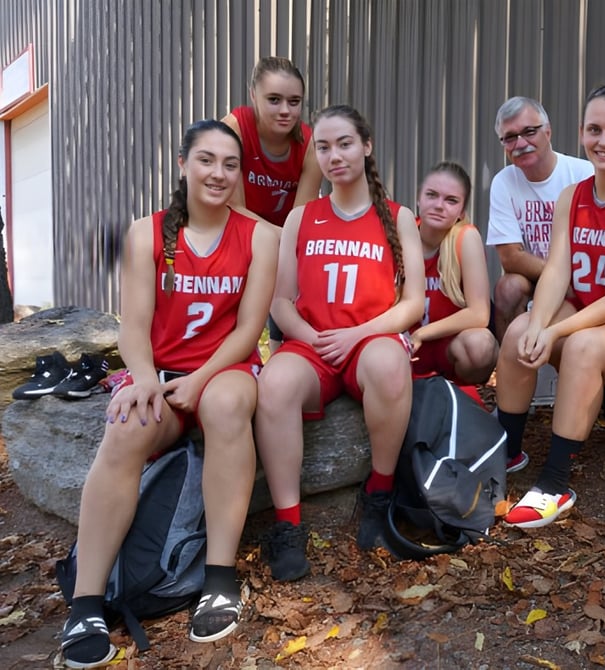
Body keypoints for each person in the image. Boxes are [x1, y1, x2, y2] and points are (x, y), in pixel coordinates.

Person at [59, 120, 278, 667]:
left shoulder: (259, 237)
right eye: (206, 160)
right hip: (162, 373)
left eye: (231, 164)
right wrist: (143, 380)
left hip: (222, 372)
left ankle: (219, 579)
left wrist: (199, 380)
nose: (219, 173)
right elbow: (133, 328)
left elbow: (247, 332)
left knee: (226, 404)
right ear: (183, 164)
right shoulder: (146, 233)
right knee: (125, 428)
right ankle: (85, 604)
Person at [253, 104, 424, 581]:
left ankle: (379, 494)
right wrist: (313, 337)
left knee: (390, 364)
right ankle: (288, 525)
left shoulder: (398, 217)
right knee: (274, 384)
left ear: (366, 146)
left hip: (367, 341)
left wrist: (357, 334)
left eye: (344, 144)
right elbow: (281, 301)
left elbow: (413, 303)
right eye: (323, 147)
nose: (334, 156)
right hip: (313, 346)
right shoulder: (301, 217)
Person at [495, 83, 605, 529]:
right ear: (580, 132)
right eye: (594, 129)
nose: (604, 140)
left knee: (581, 346)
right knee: (519, 332)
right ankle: (504, 456)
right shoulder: (572, 196)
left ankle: (555, 483)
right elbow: (557, 272)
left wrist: (555, 331)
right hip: (587, 317)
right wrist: (538, 323)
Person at [222, 56, 323, 350]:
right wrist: (285, 237)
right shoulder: (234, 129)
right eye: (274, 100)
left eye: (294, 102)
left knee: (296, 261)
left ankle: (281, 346)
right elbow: (233, 210)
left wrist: (290, 241)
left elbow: (300, 219)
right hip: (237, 230)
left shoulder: (309, 144)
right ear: (253, 95)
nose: (285, 111)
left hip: (282, 238)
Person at [487, 96, 593, 341]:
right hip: (538, 278)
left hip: (581, 277)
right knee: (508, 288)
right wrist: (556, 277)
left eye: (529, 132)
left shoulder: (584, 174)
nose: (520, 143)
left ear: (548, 131)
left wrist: (568, 279)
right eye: (510, 137)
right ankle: (509, 357)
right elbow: (510, 257)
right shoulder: (504, 182)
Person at [411, 161, 498, 385]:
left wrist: (421, 334)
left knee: (480, 346)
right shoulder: (401, 233)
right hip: (401, 347)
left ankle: (460, 394)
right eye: (431, 195)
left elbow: (479, 314)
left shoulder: (465, 237)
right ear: (418, 199)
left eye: (451, 200)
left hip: (445, 348)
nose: (439, 205)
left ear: (462, 212)